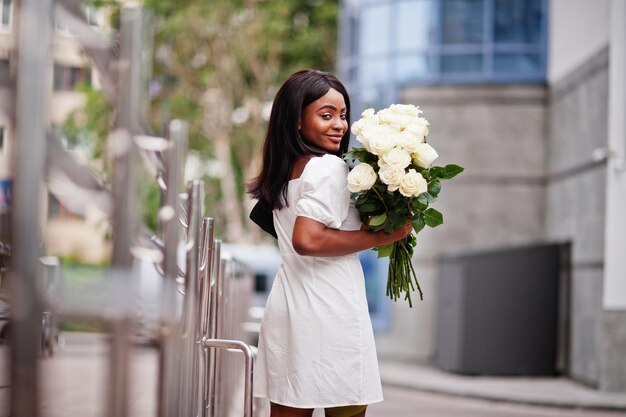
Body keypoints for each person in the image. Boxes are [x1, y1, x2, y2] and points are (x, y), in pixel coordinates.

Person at [247, 69, 413, 417]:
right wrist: (385, 234)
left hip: (289, 310)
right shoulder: (326, 168)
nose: (340, 125)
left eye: (342, 115)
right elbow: (307, 239)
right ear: (296, 121)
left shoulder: (290, 170)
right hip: (330, 311)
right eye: (326, 115)